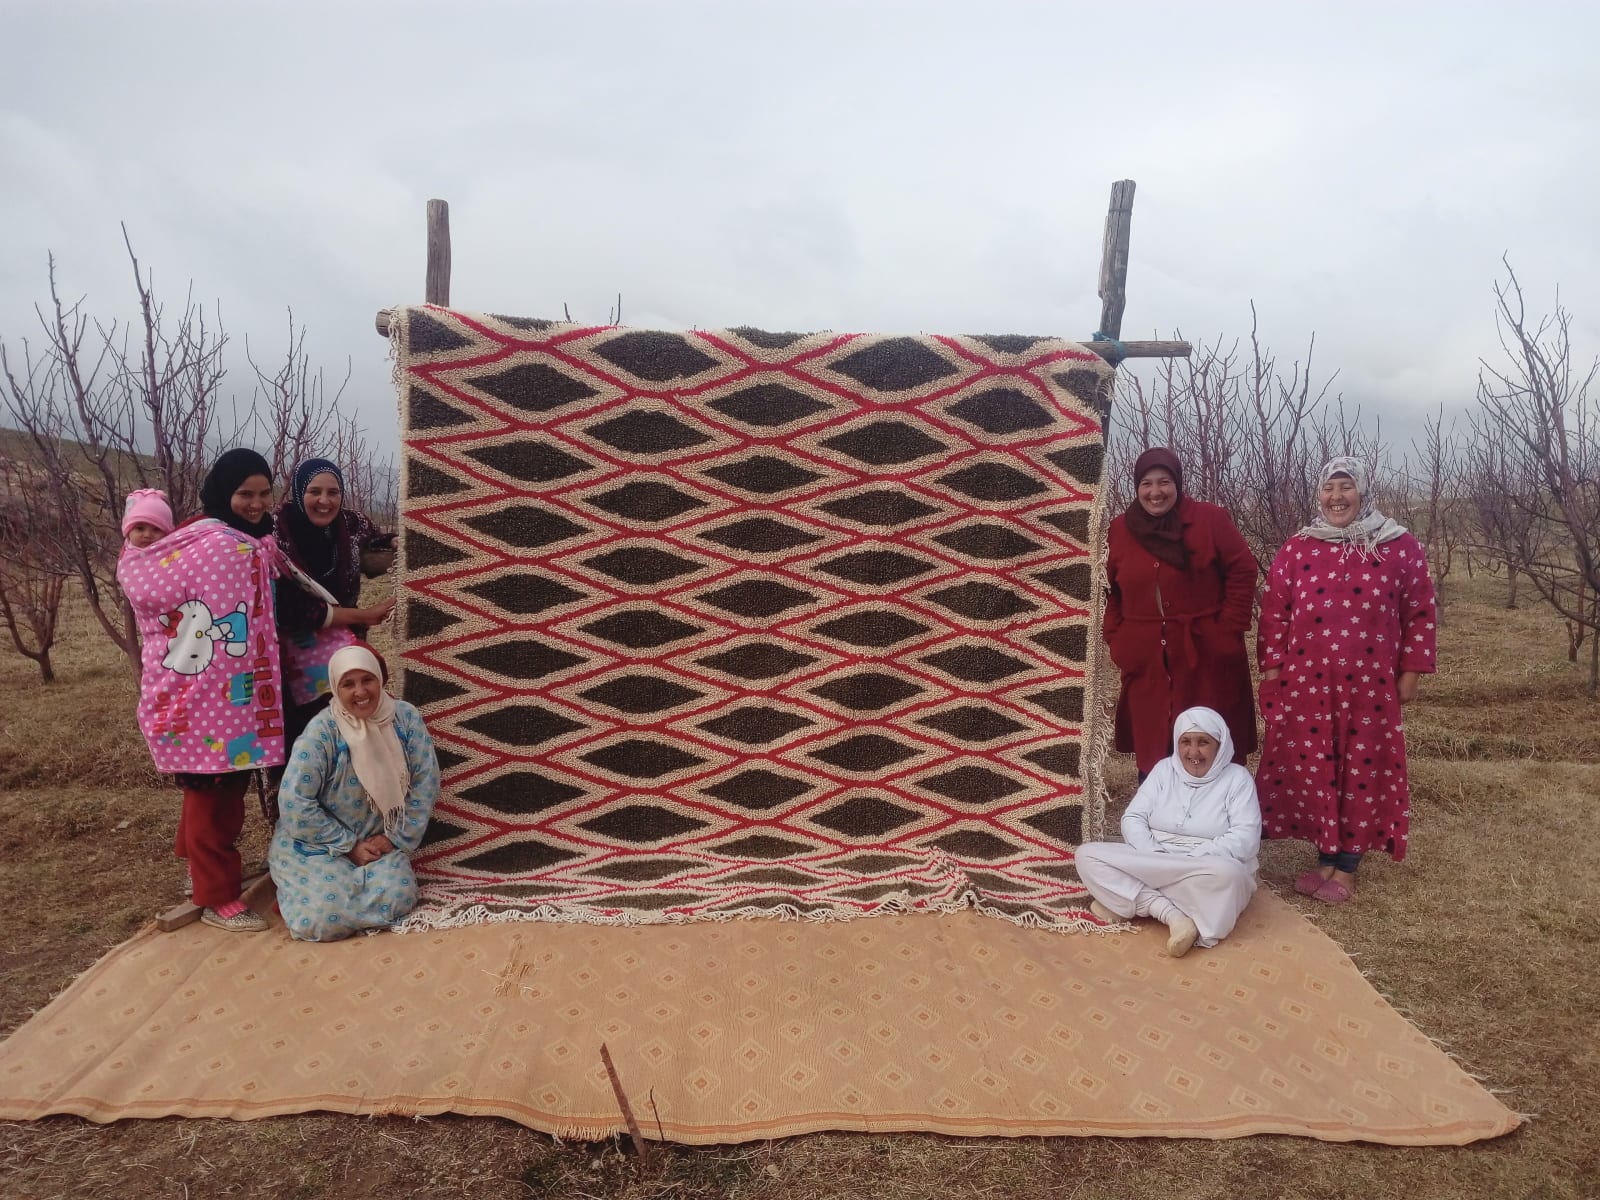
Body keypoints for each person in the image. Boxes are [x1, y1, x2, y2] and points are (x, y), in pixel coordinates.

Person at [1255, 456, 1437, 905]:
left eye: (1346, 487)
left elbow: (1420, 613)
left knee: (1362, 767)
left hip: (1370, 687)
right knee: (1317, 765)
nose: (1336, 497)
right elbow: (1275, 612)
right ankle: (1324, 857)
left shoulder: (1398, 546)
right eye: (1329, 488)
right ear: (1319, 494)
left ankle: (1349, 866)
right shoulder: (1298, 547)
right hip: (1307, 684)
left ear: (1363, 491)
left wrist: (1410, 672)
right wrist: (1274, 671)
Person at [120, 448, 284, 932]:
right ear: (221, 493)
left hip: (236, 691)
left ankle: (198, 864)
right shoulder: (203, 540)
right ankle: (216, 896)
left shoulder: (256, 537)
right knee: (213, 790)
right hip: (199, 693)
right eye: (244, 494)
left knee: (215, 787)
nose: (255, 504)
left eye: (263, 493)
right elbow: (143, 579)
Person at [1104, 448, 1258, 778]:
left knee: (1208, 731)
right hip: (1145, 656)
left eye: (1164, 482)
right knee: (1153, 738)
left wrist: (1227, 630)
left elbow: (1243, 570)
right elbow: (1109, 590)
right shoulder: (1119, 529)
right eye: (1146, 483)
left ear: (1178, 483)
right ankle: (1159, 815)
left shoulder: (1210, 519)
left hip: (1205, 651)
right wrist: (1118, 638)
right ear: (1136, 486)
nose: (1155, 492)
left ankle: (1219, 815)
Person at [269, 644, 441, 941]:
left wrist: (392, 839)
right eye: (348, 684)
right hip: (319, 844)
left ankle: (334, 904)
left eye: (367, 680)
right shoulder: (322, 732)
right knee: (321, 918)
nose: (360, 692)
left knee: (398, 895)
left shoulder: (404, 719)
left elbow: (425, 782)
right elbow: (294, 802)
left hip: (377, 845)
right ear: (336, 687)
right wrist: (348, 844)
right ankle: (311, 897)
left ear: (380, 680)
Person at [1076, 707, 1261, 958]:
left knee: (1227, 875)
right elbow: (1133, 818)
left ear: (1220, 745)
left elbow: (1245, 838)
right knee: (1087, 855)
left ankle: (1126, 899)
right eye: (1186, 742)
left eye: (1203, 743)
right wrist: (1152, 852)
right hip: (1154, 854)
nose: (1193, 752)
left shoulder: (1237, 779)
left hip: (1204, 863)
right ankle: (1175, 916)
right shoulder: (1165, 770)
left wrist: (1195, 856)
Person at [272, 458, 397, 747]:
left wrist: (395, 542)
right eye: (314, 492)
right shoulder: (278, 533)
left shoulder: (351, 525)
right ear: (299, 492)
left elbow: (375, 544)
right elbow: (291, 611)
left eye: (333, 492)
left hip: (346, 661)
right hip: (295, 665)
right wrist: (364, 615)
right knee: (305, 744)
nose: (325, 501)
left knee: (350, 738)